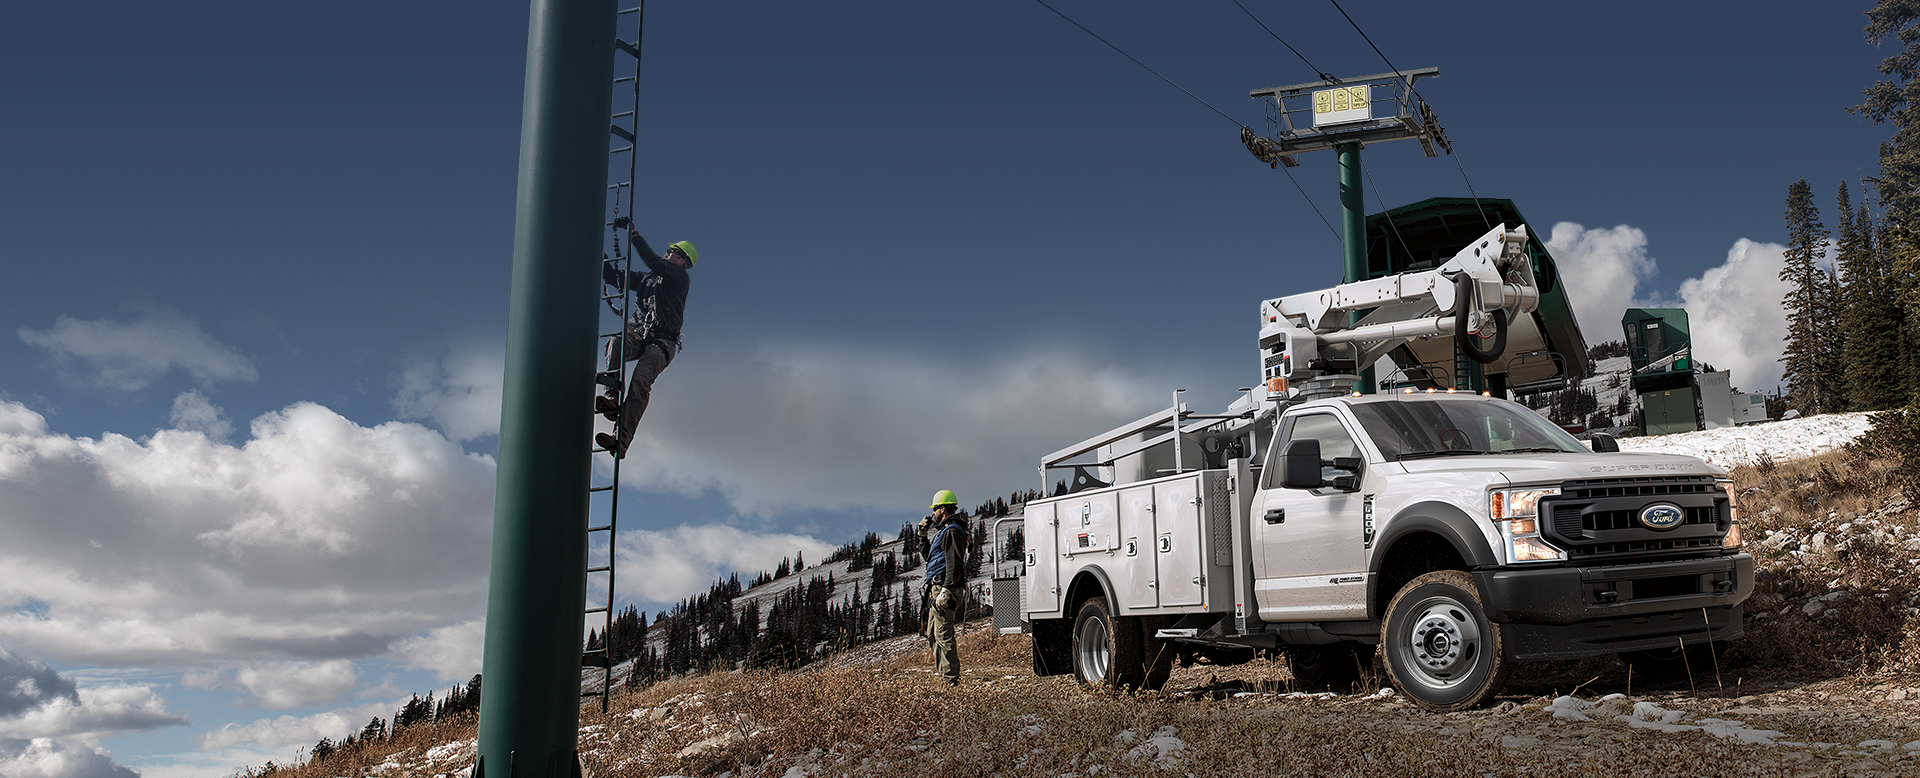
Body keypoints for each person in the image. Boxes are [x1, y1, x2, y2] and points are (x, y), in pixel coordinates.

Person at [595, 216, 696, 459]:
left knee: (640, 382)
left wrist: (634, 234)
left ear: (682, 260)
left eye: (671, 251)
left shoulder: (680, 278)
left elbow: (653, 262)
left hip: (662, 342)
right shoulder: (648, 279)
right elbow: (615, 279)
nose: (666, 253)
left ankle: (621, 439)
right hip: (639, 335)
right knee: (616, 343)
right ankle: (611, 398)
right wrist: (602, 261)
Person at [917, 489, 969, 686]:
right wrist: (922, 536)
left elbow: (955, 562)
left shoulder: (952, 531)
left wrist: (947, 589)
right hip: (937, 586)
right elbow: (931, 558)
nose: (933, 514)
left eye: (936, 509)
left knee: (943, 633)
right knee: (932, 633)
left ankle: (950, 681)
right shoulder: (944, 531)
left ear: (943, 509)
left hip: (945, 587)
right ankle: (945, 676)